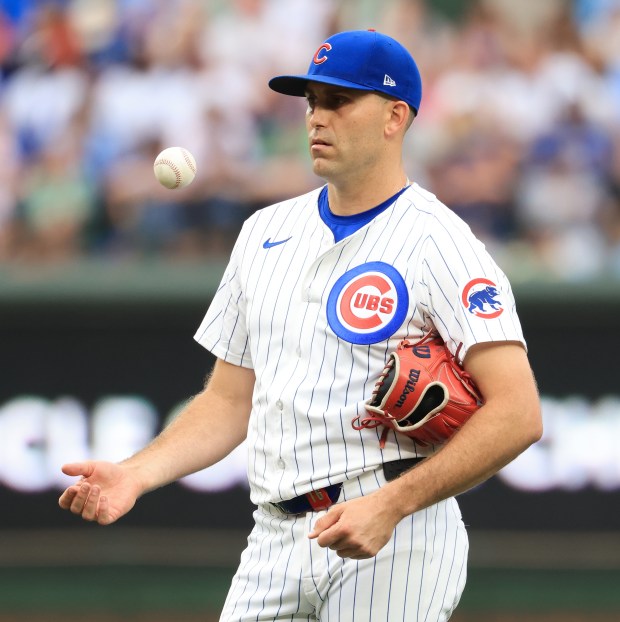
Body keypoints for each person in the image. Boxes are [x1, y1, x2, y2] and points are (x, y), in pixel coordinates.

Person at [59, 30, 542, 621]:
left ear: (395, 117)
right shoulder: (263, 233)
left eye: (339, 102)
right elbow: (230, 400)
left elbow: (518, 412)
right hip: (274, 536)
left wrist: (393, 504)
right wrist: (134, 474)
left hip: (395, 534)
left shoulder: (440, 241)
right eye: (311, 101)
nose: (317, 118)